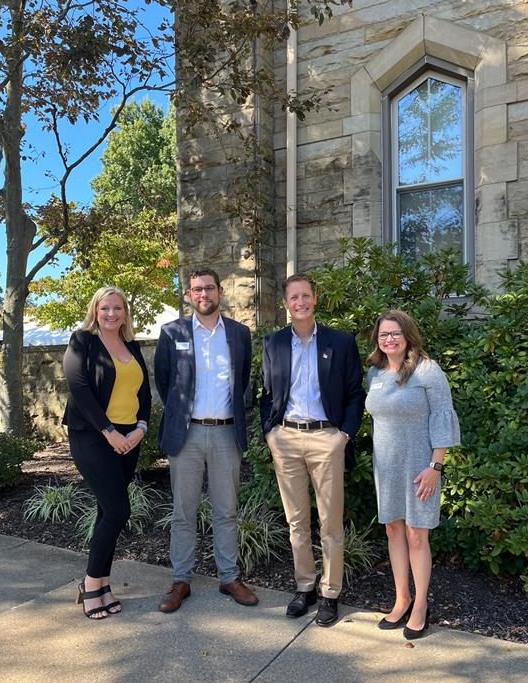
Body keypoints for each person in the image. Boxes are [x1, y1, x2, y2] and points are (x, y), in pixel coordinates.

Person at [260, 273, 365, 627]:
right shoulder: (273, 343)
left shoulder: (340, 342)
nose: (300, 302)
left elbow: (355, 394)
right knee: (296, 521)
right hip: (286, 439)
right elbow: (266, 395)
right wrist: (270, 433)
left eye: (305, 295)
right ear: (285, 304)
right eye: (294, 297)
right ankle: (304, 587)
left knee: (330, 521)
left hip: (326, 439)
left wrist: (344, 435)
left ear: (315, 298)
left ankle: (330, 593)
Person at [154, 267, 258, 612]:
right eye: (197, 289)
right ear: (189, 294)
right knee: (184, 511)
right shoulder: (172, 332)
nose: (204, 295)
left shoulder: (239, 334)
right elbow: (164, 381)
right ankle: (181, 579)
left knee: (226, 510)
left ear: (220, 292)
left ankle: (229, 577)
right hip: (187, 434)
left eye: (209, 288)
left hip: (227, 432)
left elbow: (243, 380)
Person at [366, 309, 460, 639]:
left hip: (421, 467)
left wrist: (436, 467)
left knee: (417, 535)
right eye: (383, 334)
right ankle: (401, 598)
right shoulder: (375, 373)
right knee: (393, 530)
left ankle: (420, 605)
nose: (389, 339)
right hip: (386, 467)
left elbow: (443, 416)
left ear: (408, 336)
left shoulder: (428, 370)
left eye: (395, 333)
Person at [63, 286, 152, 620]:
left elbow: (144, 394)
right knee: (118, 510)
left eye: (118, 308)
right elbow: (79, 389)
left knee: (107, 512)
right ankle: (90, 583)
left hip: (129, 439)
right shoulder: (82, 341)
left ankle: (103, 583)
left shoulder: (133, 346)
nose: (111, 314)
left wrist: (140, 428)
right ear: (95, 311)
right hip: (93, 436)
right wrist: (109, 432)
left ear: (126, 312)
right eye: (105, 308)